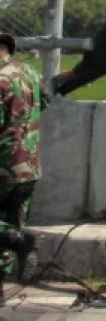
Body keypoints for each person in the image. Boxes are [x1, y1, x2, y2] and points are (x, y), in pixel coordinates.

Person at [0, 33, 41, 305]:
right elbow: (43, 102)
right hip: (30, 164)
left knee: (7, 230)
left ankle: (18, 241)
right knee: (11, 218)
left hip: (3, 166)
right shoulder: (30, 73)